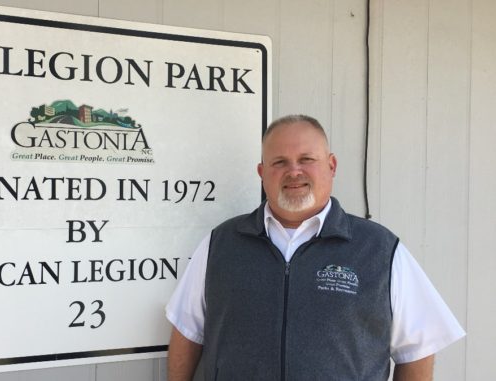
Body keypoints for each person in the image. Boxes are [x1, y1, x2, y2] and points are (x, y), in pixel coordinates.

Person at [165, 115, 465, 381]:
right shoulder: (222, 244)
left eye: (307, 159)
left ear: (331, 165)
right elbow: (187, 332)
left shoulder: (380, 250)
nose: (294, 171)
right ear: (262, 172)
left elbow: (418, 350)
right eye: (279, 162)